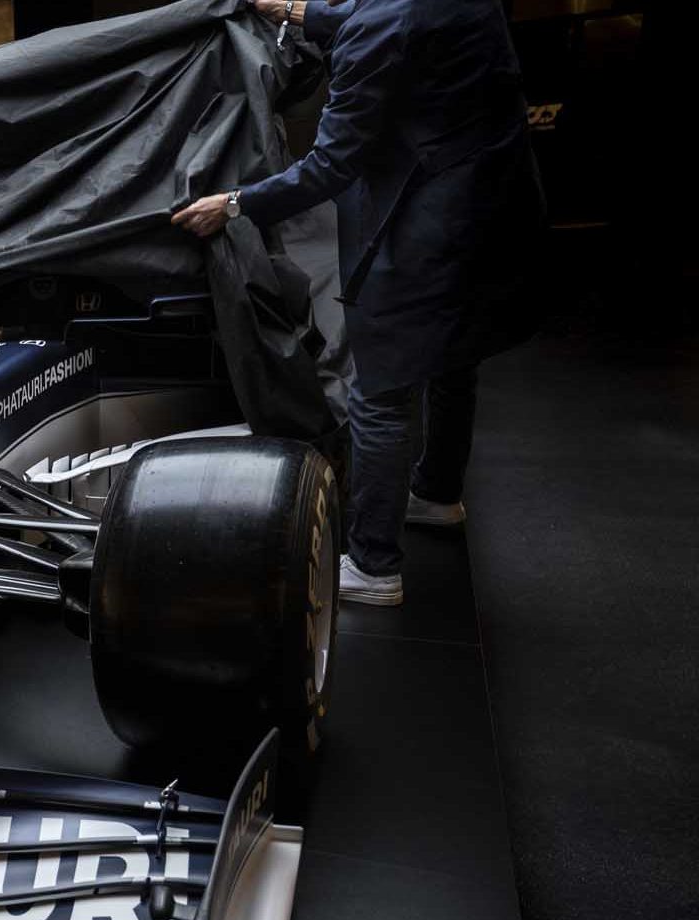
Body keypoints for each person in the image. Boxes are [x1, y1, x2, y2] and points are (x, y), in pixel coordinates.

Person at [172, 0, 543, 606]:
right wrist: (298, 11)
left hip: (427, 226)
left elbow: (330, 166)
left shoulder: (379, 29)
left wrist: (234, 204)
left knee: (381, 391)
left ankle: (374, 564)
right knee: (455, 355)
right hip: (492, 201)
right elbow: (392, 19)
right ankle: (439, 494)